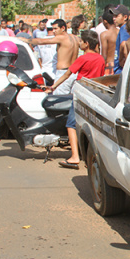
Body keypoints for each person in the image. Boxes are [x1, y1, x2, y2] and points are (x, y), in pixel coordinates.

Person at [44, 30, 104, 170]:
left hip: (81, 93)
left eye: (81, 42)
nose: (80, 44)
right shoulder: (100, 59)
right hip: (94, 95)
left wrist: (53, 87)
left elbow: (67, 74)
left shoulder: (83, 58)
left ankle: (75, 156)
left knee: (71, 124)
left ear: (86, 43)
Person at [27, 19, 79, 94]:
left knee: (60, 101)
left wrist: (25, 40)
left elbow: (41, 41)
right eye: (52, 29)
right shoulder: (75, 38)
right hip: (74, 73)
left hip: (63, 73)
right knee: (71, 100)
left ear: (63, 28)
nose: (54, 31)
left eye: (55, 29)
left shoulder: (61, 38)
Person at [110, 5, 130, 74]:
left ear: (125, 17)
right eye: (113, 16)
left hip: (120, 70)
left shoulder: (124, 29)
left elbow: (124, 45)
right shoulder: (124, 28)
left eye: (117, 16)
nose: (114, 19)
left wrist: (121, 61)